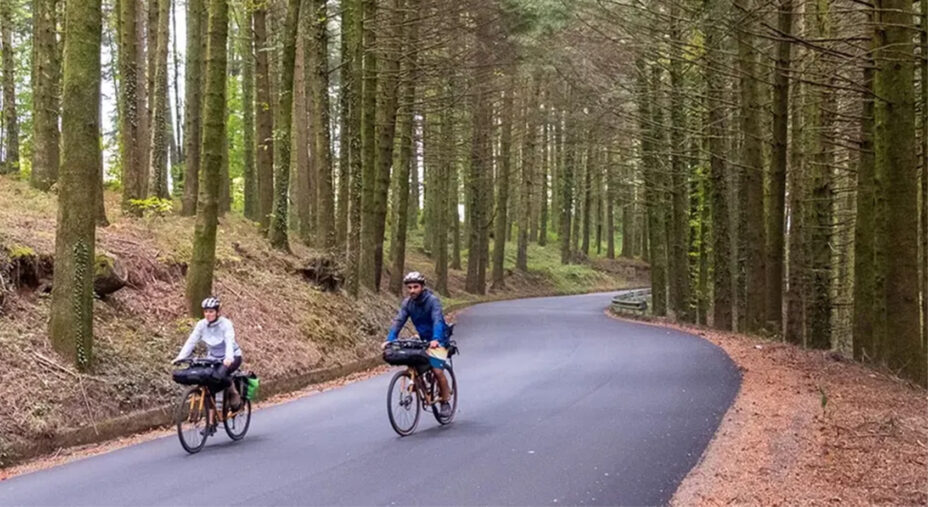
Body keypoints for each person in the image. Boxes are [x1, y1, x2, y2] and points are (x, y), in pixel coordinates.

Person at [384, 272, 452, 417]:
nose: (412, 290)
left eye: (415, 287)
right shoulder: (407, 303)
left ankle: (445, 401)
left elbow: (437, 320)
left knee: (437, 371)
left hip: (439, 339)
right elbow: (399, 321)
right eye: (409, 288)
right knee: (413, 360)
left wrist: (436, 339)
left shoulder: (433, 301)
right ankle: (421, 382)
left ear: (422, 287)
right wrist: (390, 339)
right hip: (423, 339)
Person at [174, 296, 244, 410]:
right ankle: (211, 417)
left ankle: (232, 390)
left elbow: (229, 341)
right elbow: (191, 341)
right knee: (208, 379)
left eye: (211, 311)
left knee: (220, 375)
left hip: (232, 356)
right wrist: (181, 357)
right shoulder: (201, 325)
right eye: (206, 311)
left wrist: (228, 358)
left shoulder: (225, 324)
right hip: (213, 358)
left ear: (217, 312)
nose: (208, 314)